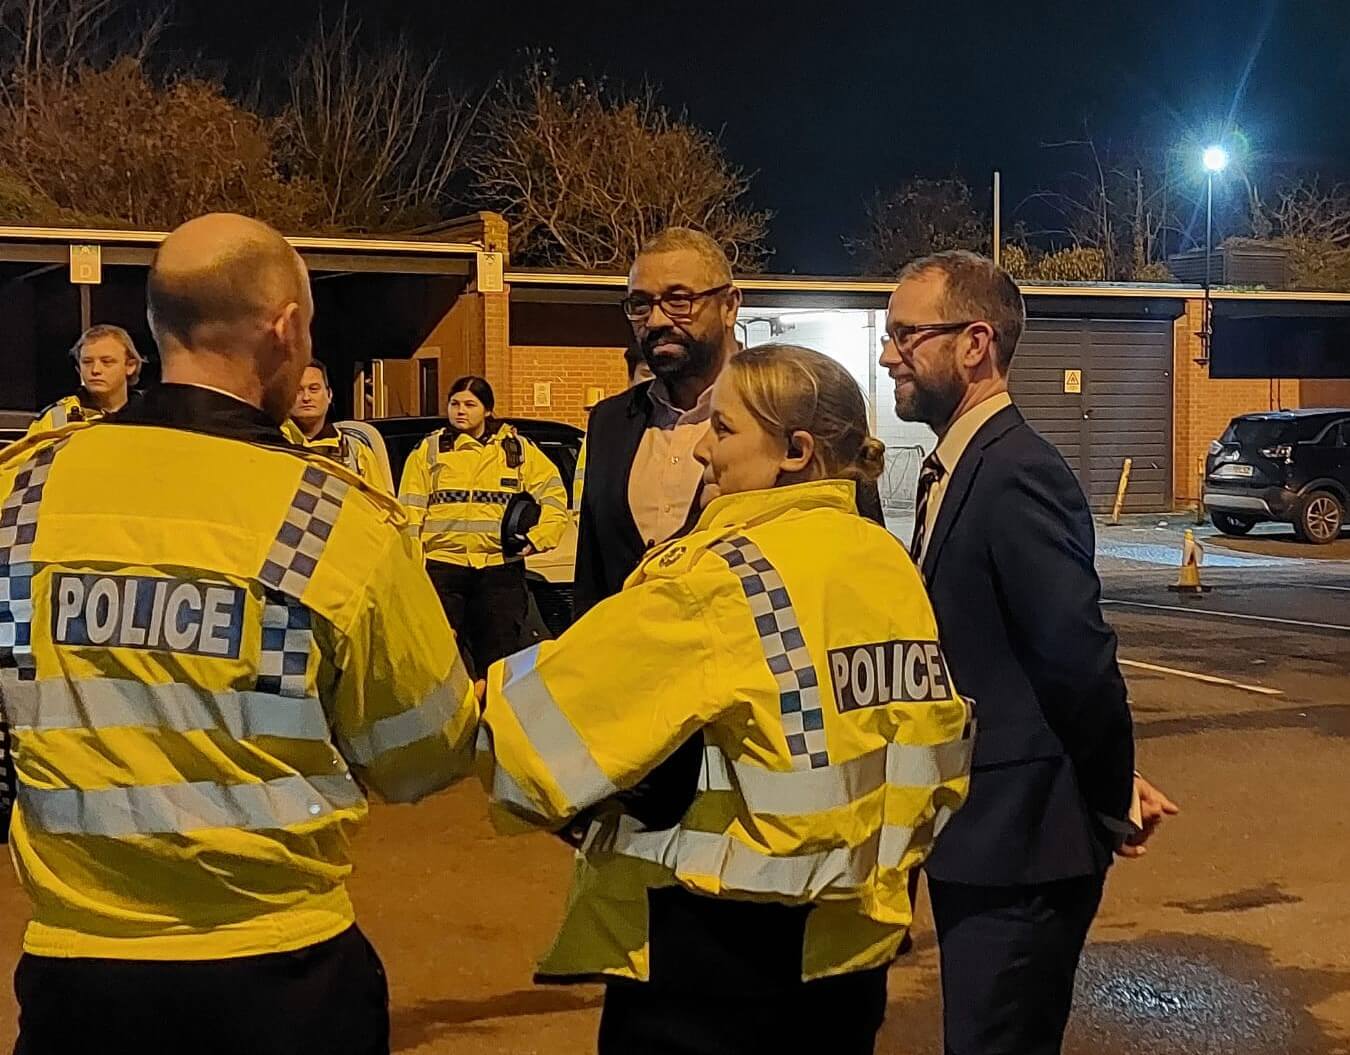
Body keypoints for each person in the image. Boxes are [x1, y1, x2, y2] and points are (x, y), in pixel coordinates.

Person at [0, 213, 478, 1055]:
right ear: (287, 327)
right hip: (282, 973)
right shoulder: (335, 518)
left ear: (155, 326)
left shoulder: (20, 494)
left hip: (80, 977)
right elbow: (424, 749)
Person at [477, 344, 974, 1055]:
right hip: (850, 953)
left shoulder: (718, 578)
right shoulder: (884, 562)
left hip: (710, 966)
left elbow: (531, 741)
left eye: (725, 429)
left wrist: (471, 702)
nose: (702, 450)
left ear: (795, 450)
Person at [880, 249, 1179, 1055]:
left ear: (976, 343)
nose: (888, 355)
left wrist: (1110, 788)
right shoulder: (959, 464)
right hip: (982, 835)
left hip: (1022, 848)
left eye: (908, 336)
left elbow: (1075, 656)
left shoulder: (1017, 470)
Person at [574, 227, 884, 619]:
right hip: (628, 665)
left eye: (678, 300)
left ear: (729, 306)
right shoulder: (609, 422)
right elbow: (592, 579)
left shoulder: (797, 408)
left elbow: (855, 564)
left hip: (754, 666)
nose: (655, 320)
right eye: (640, 304)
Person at [398, 375, 568, 676]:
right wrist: (413, 563)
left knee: (500, 662)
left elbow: (554, 495)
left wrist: (541, 537)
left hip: (499, 571)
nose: (460, 411)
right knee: (440, 662)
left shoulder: (517, 450)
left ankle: (494, 718)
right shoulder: (430, 450)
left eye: (470, 404)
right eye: (454, 404)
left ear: (488, 410)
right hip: (442, 569)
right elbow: (410, 510)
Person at [283, 359, 391, 490]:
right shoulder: (273, 445)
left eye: (314, 389)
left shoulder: (355, 451)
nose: (306, 397)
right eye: (298, 391)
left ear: (329, 395)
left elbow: (378, 504)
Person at [27, 323, 145, 433]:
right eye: (87, 362)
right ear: (79, 367)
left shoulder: (151, 414)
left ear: (130, 366)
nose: (95, 370)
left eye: (107, 362)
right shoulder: (59, 415)